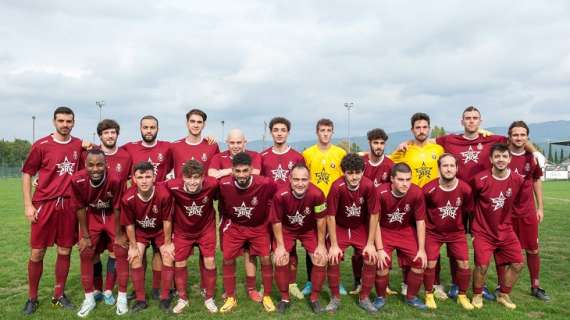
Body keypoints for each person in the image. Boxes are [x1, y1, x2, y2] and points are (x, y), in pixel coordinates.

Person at [21, 106, 83, 315]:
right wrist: (29, 205)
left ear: (73, 122)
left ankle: (58, 296)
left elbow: (91, 167)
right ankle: (32, 298)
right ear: (54, 122)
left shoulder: (78, 145)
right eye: (61, 121)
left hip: (68, 206)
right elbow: (28, 173)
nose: (65, 125)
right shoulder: (41, 145)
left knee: (65, 250)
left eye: (68, 121)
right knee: (37, 252)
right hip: (44, 204)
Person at [389, 113, 445, 299]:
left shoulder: (438, 149)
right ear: (412, 130)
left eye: (424, 127)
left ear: (429, 128)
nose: (421, 130)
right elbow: (389, 164)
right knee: (410, 243)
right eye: (418, 127)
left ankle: (435, 283)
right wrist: (398, 148)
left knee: (434, 244)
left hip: (434, 203)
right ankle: (406, 282)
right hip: (411, 204)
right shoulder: (405, 150)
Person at [208, 129, 264, 302]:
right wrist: (232, 171)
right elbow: (211, 175)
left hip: (251, 215)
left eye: (239, 142)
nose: (236, 146)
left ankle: (252, 289)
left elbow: (254, 173)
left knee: (250, 254)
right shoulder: (219, 157)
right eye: (232, 143)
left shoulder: (254, 156)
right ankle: (228, 289)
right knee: (228, 256)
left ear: (245, 142)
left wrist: (224, 172)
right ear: (227, 143)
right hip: (228, 216)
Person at [217, 152, 277, 313]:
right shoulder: (224, 185)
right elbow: (220, 203)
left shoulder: (265, 183)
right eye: (238, 171)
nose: (241, 175)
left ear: (251, 169)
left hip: (259, 227)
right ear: (232, 170)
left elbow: (276, 197)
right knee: (228, 259)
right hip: (235, 227)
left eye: (245, 171)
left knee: (265, 258)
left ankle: (267, 296)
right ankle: (231, 297)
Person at [122, 115, 173, 300]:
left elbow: (187, 156)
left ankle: (160, 289)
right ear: (140, 128)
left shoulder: (168, 147)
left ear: (158, 129)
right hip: (139, 209)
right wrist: (87, 146)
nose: (149, 130)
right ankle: (139, 293)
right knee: (137, 255)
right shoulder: (129, 147)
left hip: (159, 205)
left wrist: (209, 141)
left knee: (162, 253)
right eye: (145, 127)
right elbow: (109, 154)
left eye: (152, 127)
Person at [71, 149, 125, 317]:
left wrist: (118, 234)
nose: (95, 169)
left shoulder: (115, 179)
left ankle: (119, 295)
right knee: (86, 251)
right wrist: (85, 236)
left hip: (111, 216)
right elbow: (79, 207)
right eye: (91, 165)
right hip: (92, 216)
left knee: (120, 249)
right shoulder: (77, 179)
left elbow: (117, 207)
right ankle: (89, 298)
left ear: (106, 164)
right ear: (85, 165)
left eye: (99, 165)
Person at [471, 143, 524, 310]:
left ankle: (503, 294)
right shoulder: (479, 180)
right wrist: (472, 231)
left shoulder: (517, 180)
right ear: (491, 159)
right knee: (482, 266)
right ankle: (478, 294)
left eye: (504, 156)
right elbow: (470, 205)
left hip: (506, 229)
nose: (500, 159)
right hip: (483, 231)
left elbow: (516, 205)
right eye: (497, 156)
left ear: (509, 159)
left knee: (517, 263)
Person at [326, 154, 380, 313]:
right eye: (350, 172)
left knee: (371, 258)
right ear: (344, 172)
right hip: (340, 227)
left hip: (359, 227)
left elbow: (374, 214)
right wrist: (334, 245)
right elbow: (330, 216)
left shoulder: (369, 186)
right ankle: (335, 298)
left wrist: (371, 244)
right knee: (333, 257)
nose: (354, 176)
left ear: (363, 171)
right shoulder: (336, 187)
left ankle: (364, 297)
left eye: (358, 172)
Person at [270, 164, 328, 313]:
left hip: (308, 230)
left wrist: (321, 245)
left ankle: (314, 298)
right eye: (296, 179)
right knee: (281, 258)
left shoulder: (317, 194)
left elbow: (321, 220)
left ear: (309, 179)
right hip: (286, 230)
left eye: (304, 179)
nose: (300, 183)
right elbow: (276, 221)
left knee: (320, 258)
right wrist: (281, 247)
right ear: (289, 179)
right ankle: (284, 298)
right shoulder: (280, 195)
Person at [165, 160, 220, 313]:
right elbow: (155, 187)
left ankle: (209, 298)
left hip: (206, 229)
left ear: (203, 178)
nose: (193, 182)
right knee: (180, 262)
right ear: (183, 177)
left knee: (210, 260)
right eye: (189, 177)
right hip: (183, 231)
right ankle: (183, 298)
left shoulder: (212, 184)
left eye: (196, 177)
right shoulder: (172, 185)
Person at [261, 117, 305, 300]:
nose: (279, 133)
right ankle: (267, 285)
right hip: (269, 210)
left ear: (288, 132)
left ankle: (291, 283)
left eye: (283, 130)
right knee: (268, 249)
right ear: (271, 132)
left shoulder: (297, 157)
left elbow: (303, 182)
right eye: (276, 129)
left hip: (290, 211)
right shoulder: (263, 156)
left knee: (290, 248)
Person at [422, 153, 474, 310]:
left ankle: (462, 296)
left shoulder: (465, 189)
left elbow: (469, 211)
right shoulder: (428, 189)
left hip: (456, 233)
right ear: (439, 169)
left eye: (452, 166)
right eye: (445, 165)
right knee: (430, 263)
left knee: (464, 263)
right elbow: (421, 214)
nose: (449, 169)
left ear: (457, 168)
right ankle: (429, 294)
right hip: (433, 233)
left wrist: (471, 233)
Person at [301, 118, 347, 296]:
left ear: (332, 132)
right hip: (314, 206)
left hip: (335, 206)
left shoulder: (340, 153)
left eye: (328, 130)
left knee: (335, 243)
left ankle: (336, 281)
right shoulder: (308, 154)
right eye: (322, 130)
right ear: (317, 132)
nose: (325, 133)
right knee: (312, 244)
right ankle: (310, 281)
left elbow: (345, 178)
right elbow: (303, 178)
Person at [120, 161, 173, 313]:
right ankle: (141, 299)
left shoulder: (164, 194)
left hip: (159, 231)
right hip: (141, 232)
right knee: (135, 257)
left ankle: (164, 298)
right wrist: (133, 246)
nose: (144, 180)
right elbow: (129, 224)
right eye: (140, 177)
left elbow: (167, 221)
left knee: (168, 255)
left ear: (154, 177)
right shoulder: (128, 198)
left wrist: (168, 243)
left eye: (148, 176)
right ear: (134, 179)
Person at [374, 163, 428, 311]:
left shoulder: (416, 192)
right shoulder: (379, 192)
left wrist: (422, 249)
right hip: (385, 230)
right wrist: (379, 249)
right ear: (392, 179)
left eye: (408, 179)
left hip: (405, 230)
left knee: (419, 261)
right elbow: (375, 222)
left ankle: (411, 297)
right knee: (381, 264)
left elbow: (420, 221)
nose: (405, 184)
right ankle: (380, 297)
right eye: (401, 179)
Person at [507, 121, 549, 301]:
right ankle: (504, 286)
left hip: (527, 212)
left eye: (522, 135)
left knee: (532, 249)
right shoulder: (501, 155)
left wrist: (540, 207)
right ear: (509, 136)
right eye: (515, 135)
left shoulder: (532, 158)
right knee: (504, 251)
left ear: (527, 137)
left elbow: (536, 181)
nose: (519, 138)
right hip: (506, 213)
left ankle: (535, 286)